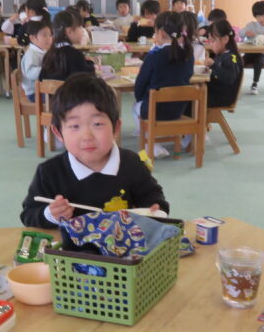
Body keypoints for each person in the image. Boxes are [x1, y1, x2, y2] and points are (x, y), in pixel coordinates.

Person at [20, 74, 168, 228]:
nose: (87, 136)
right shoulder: (49, 172)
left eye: (97, 124)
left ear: (116, 128)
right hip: (71, 243)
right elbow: (29, 214)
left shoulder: (132, 163)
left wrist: (155, 209)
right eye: (75, 126)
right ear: (58, 133)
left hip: (121, 240)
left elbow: (153, 197)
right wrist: (50, 214)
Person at [133, 10, 194, 159]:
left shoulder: (154, 56)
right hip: (179, 108)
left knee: (135, 107)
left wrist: (141, 97)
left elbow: (139, 87)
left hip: (154, 110)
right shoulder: (188, 55)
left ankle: (151, 144)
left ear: (160, 32)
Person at [40, 10, 95, 82]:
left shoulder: (48, 55)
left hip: (51, 90)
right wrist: (91, 63)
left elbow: (41, 79)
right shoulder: (75, 55)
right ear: (69, 31)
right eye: (79, 27)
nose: (82, 31)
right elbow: (89, 80)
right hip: (71, 89)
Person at [239, 0, 264, 95]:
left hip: (263, 54)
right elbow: (241, 33)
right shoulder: (251, 25)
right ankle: (235, 83)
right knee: (239, 62)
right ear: (255, 17)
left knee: (259, 61)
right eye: (258, 17)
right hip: (250, 53)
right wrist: (246, 32)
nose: (261, 19)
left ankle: (255, 84)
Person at [203, 19, 242, 109]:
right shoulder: (222, 55)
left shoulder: (232, 57)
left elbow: (229, 77)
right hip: (216, 93)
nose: (210, 44)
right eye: (209, 41)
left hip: (222, 97)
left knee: (191, 100)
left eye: (213, 41)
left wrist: (213, 66)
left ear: (225, 39)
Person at [19, 19, 53, 101]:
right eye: (44, 36)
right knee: (61, 98)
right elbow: (30, 73)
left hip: (43, 89)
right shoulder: (31, 54)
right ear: (33, 38)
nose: (49, 39)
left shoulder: (43, 51)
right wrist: (48, 69)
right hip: (34, 93)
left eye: (50, 35)